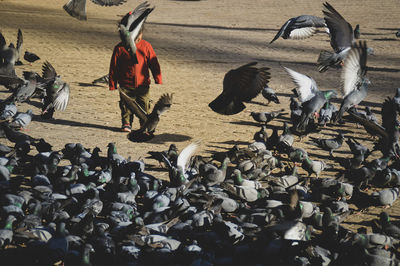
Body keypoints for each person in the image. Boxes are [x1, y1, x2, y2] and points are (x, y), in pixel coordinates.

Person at [108, 26, 162, 132]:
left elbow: (154, 63)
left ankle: (144, 123)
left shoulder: (146, 46)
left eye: (139, 34)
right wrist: (112, 83)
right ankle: (126, 123)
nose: (137, 37)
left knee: (145, 105)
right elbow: (114, 67)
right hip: (125, 84)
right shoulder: (120, 48)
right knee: (126, 106)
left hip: (143, 84)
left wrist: (158, 77)